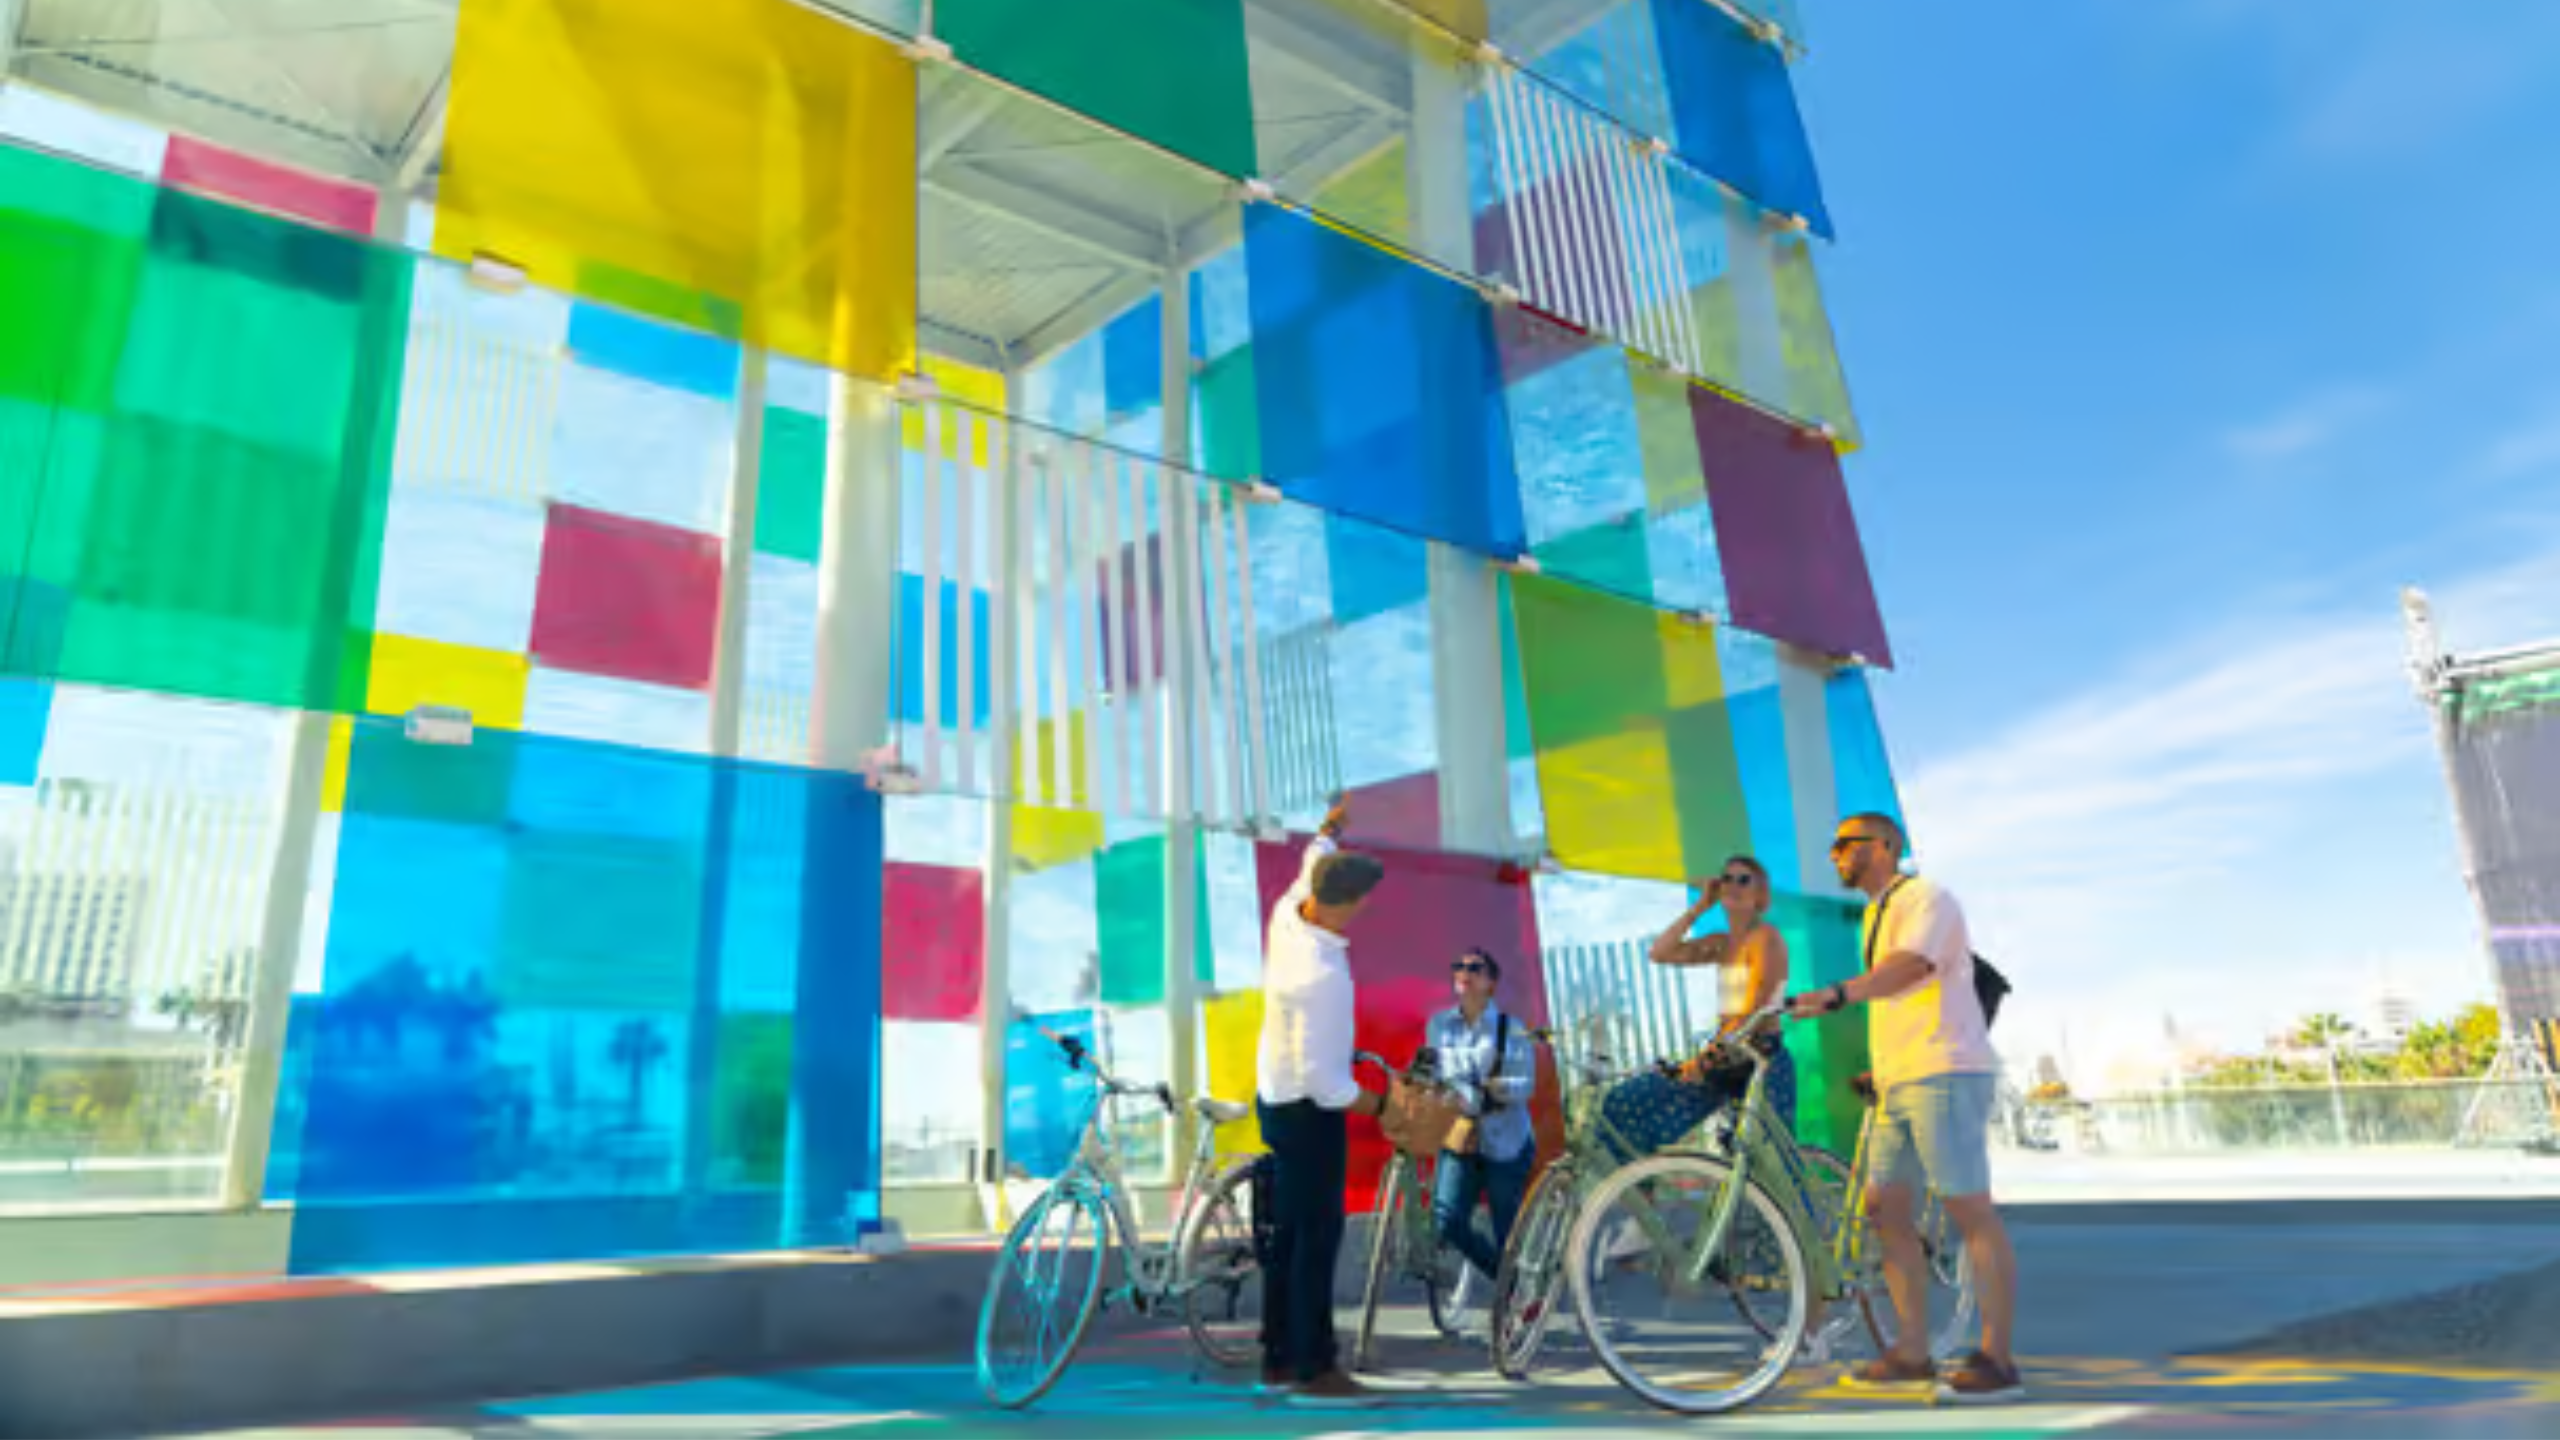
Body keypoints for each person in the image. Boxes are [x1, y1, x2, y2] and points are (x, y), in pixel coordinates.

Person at [1789, 812, 2023, 1405]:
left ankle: (1997, 1359)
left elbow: (1910, 969)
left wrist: (1838, 994)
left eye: (1846, 844)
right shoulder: (1875, 912)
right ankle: (1911, 1352)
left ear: (1885, 844)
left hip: (1944, 1071)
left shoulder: (1926, 897)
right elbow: (1906, 999)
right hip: (1898, 1079)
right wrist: (1882, 1067)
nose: (1836, 854)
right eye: (1833, 847)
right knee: (1885, 1210)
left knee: (1968, 1209)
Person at [1255, 798, 1387, 1405]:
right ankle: (1316, 1367)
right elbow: (1328, 1084)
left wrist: (1330, 829)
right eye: (1363, 900)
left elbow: (1314, 858)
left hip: (1273, 1097)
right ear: (1346, 903)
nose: (1366, 908)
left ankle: (1278, 1357)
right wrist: (1385, 1106)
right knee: (1315, 1239)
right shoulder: (1322, 979)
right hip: (1308, 1114)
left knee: (1286, 1235)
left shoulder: (1288, 914)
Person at [1597, 856, 1794, 1161]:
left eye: (1744, 880)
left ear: (1760, 894)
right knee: (1624, 1102)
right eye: (1726, 879)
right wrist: (1700, 907)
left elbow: (1755, 1011)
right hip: (1727, 1054)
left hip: (1760, 1057)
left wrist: (1702, 1061)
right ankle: (1640, 1181)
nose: (1733, 885)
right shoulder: (1723, 944)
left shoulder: (1767, 938)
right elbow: (1660, 952)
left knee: (1769, 1163)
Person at [1423, 947, 1540, 1286]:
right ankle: (1506, 1280)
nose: (1464, 972)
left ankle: (1513, 1291)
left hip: (1506, 1138)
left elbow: (1525, 1084)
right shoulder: (1439, 1025)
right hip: (1459, 1134)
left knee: (1507, 1225)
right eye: (1458, 966)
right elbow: (1435, 1075)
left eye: (1474, 967)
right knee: (1447, 1219)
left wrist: (1491, 1090)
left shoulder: (1510, 1027)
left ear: (1491, 983)